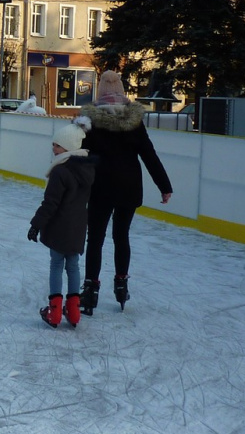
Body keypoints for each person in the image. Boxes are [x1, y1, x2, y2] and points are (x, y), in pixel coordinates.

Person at [78, 70, 172, 315]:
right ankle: (121, 284)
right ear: (121, 90)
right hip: (129, 188)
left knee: (95, 239)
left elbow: (83, 155)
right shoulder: (134, 121)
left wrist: (78, 185)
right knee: (121, 236)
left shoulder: (91, 121)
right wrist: (164, 186)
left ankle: (90, 289)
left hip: (100, 189)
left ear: (100, 90)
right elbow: (149, 155)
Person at [28, 117, 95, 328]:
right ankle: (74, 312)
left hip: (58, 227)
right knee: (73, 266)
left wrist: (36, 225)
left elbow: (50, 204)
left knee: (57, 265)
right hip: (77, 226)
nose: (53, 149)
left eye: (56, 145)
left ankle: (55, 312)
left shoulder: (60, 171)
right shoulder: (87, 169)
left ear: (67, 147)